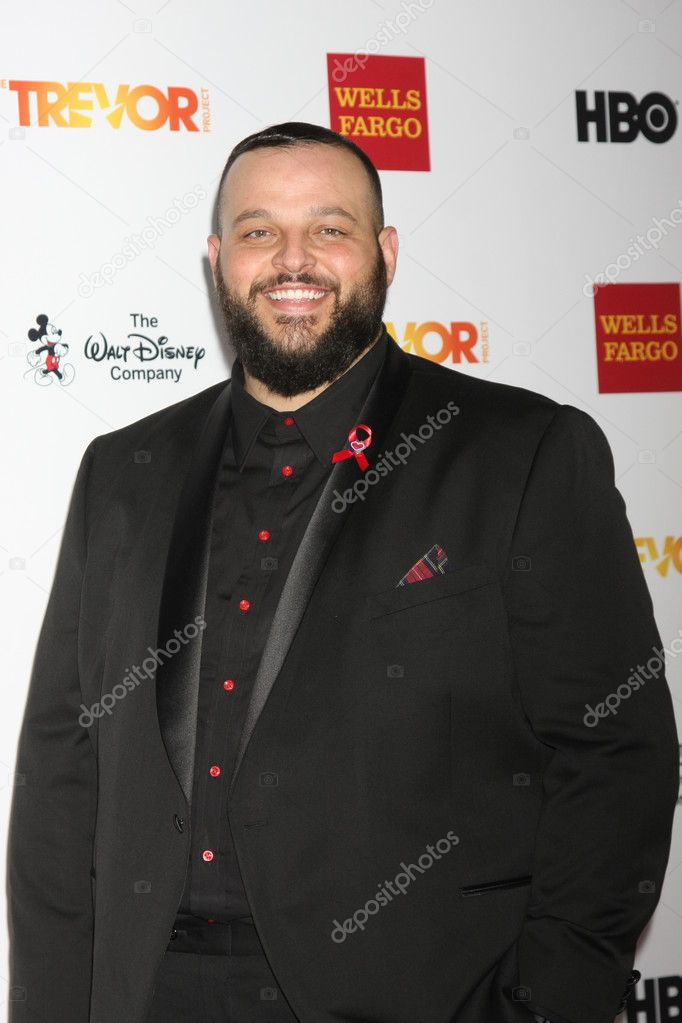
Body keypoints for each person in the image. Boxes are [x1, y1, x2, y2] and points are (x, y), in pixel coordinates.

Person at [7, 121, 678, 1023]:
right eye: (257, 231)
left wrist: (548, 1002)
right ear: (216, 259)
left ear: (385, 252)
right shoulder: (123, 470)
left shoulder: (517, 453)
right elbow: (63, 768)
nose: (293, 260)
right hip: (149, 995)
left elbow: (616, 755)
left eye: (329, 228)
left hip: (421, 996)